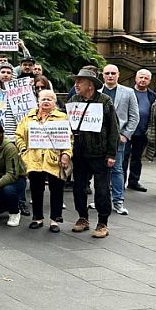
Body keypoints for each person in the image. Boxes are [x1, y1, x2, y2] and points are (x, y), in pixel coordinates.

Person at [68, 68, 119, 239]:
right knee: (78, 188)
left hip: (99, 153)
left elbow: (113, 129)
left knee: (102, 189)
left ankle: (102, 222)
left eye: (79, 82)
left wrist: (112, 154)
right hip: (80, 153)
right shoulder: (74, 99)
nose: (76, 85)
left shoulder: (105, 101)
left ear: (90, 85)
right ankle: (82, 217)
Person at [15, 90, 72, 232]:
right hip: (34, 159)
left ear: (54, 102)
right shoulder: (29, 116)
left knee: (57, 189)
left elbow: (69, 139)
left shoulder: (62, 117)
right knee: (36, 189)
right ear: (38, 101)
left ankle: (55, 220)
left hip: (54, 159)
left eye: (50, 99)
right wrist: (23, 150)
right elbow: (19, 135)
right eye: (43, 99)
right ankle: (37, 218)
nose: (46, 101)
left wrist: (66, 154)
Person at [99, 64, 139, 216]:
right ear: (103, 75)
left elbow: (134, 116)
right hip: (99, 139)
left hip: (119, 138)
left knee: (117, 170)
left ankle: (118, 201)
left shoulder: (128, 92)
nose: (110, 76)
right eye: (107, 73)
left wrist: (125, 135)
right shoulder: (97, 91)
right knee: (100, 170)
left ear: (118, 75)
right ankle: (100, 199)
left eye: (113, 73)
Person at [127, 69, 156, 192]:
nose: (143, 80)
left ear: (149, 81)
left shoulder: (152, 96)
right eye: (141, 77)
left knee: (137, 158)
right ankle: (118, 182)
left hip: (142, 132)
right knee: (122, 158)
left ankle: (134, 181)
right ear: (136, 78)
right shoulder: (127, 92)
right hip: (126, 131)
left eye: (146, 78)